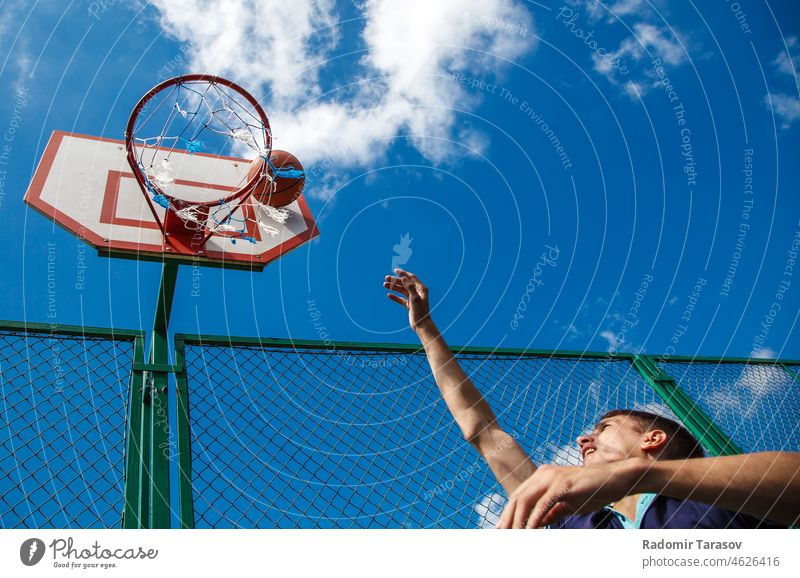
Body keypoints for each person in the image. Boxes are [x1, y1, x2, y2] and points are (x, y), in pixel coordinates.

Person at [383, 268, 800, 529]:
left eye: (604, 428)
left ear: (652, 440)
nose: (583, 440)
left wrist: (640, 476)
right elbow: (484, 432)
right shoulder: (572, 520)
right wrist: (426, 331)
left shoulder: (720, 498)